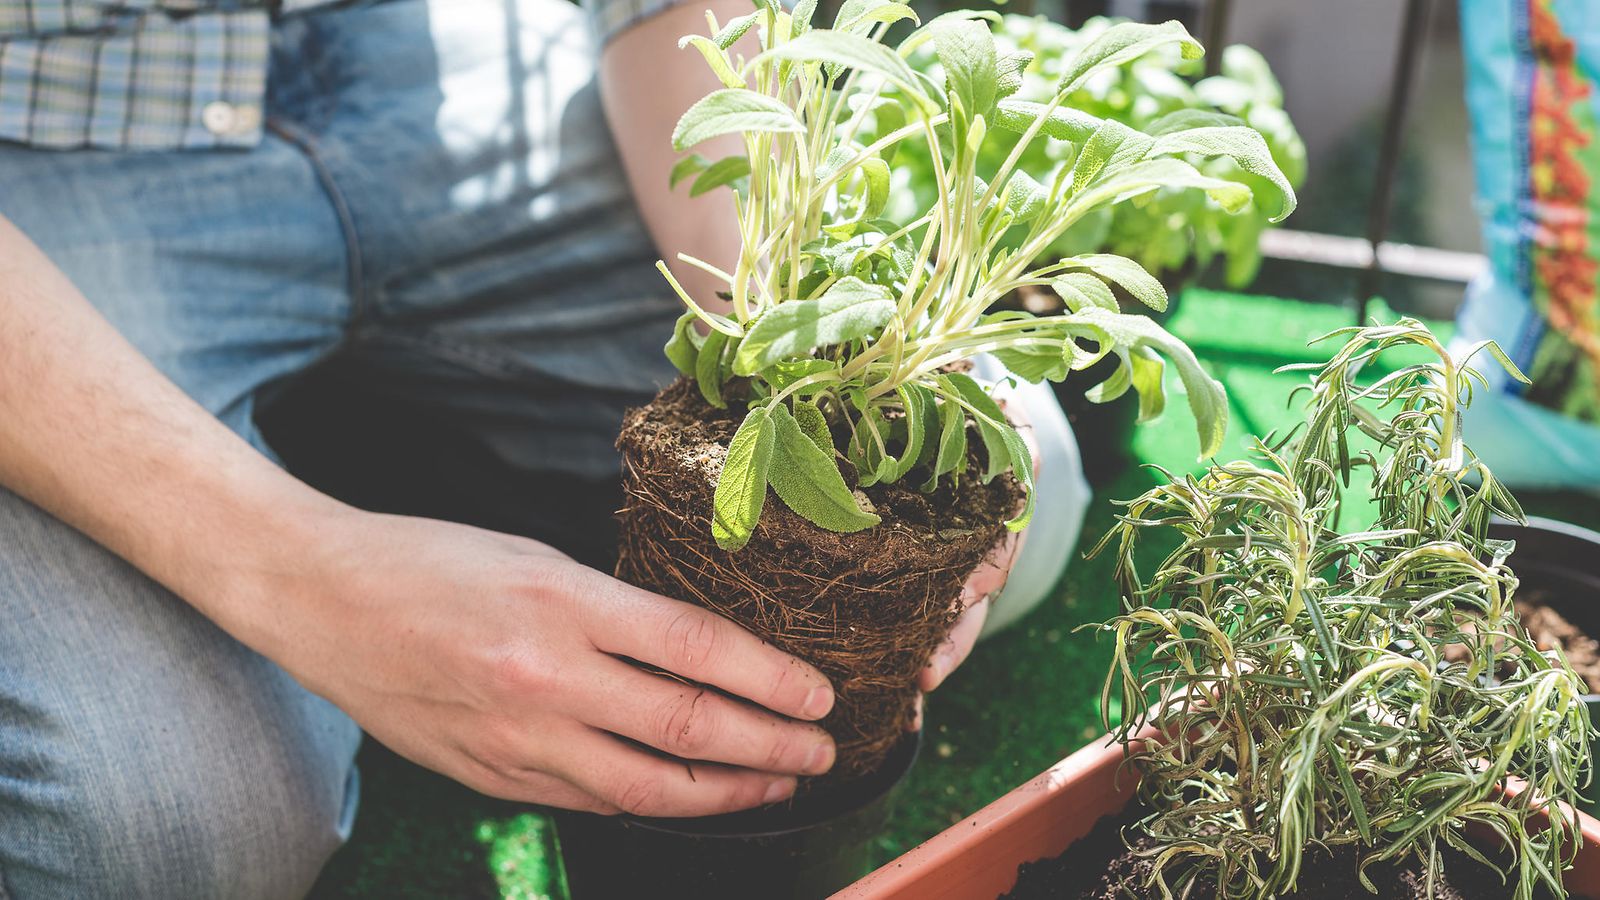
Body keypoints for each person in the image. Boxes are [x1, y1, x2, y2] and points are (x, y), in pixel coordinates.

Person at [0, 1, 1085, 897]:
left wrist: (813, 351)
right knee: (171, 834)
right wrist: (301, 571)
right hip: (45, 126)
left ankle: (371, 450)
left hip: (452, 63)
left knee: (1024, 502)